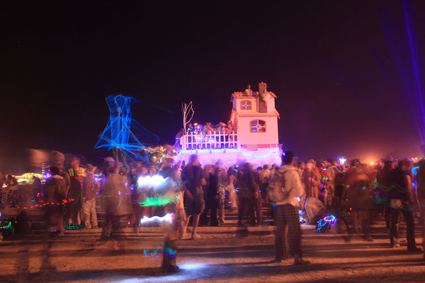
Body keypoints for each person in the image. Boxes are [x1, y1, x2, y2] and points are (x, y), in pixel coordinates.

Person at [274, 151, 310, 265]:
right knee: (294, 231)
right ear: (292, 160)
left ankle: (280, 255)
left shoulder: (277, 172)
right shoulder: (292, 173)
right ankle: (296, 257)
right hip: (290, 203)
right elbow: (299, 191)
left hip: (279, 205)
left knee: (280, 231)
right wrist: (302, 195)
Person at [388, 160, 421, 251]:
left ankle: (394, 242)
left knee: (395, 221)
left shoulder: (392, 173)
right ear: (406, 166)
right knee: (410, 223)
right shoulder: (406, 175)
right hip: (403, 200)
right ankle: (411, 246)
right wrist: (411, 199)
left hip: (394, 199)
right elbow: (408, 187)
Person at [181, 154, 205, 239]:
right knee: (197, 213)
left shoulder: (185, 169)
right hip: (198, 191)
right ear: (196, 160)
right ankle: (194, 233)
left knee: (188, 213)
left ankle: (183, 232)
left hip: (188, 191)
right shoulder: (199, 169)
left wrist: (186, 190)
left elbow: (182, 181)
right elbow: (202, 181)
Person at [44, 166, 67, 235]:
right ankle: (60, 229)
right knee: (60, 215)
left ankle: (52, 229)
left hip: (52, 200)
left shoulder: (50, 180)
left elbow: (47, 191)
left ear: (52, 172)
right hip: (60, 200)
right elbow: (63, 191)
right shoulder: (62, 179)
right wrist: (64, 199)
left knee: (52, 215)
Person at [82, 164, 98, 229]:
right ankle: (95, 224)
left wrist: (84, 197)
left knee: (86, 211)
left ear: (87, 169)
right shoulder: (93, 177)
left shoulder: (86, 178)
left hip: (88, 196)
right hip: (93, 196)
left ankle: (87, 225)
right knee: (93, 211)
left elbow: (86, 188)